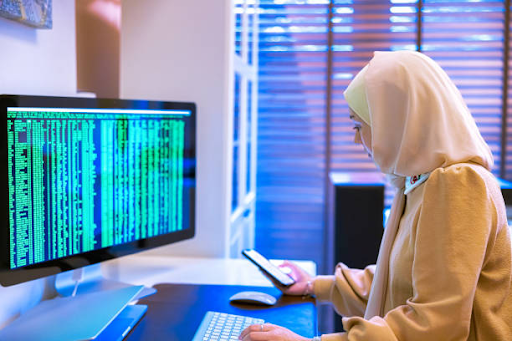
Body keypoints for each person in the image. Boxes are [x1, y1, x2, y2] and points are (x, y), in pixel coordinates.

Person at [239, 50, 512, 340]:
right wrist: (314, 286)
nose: (357, 138)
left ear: (397, 121)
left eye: (359, 125)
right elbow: (395, 283)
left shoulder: (459, 183)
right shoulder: (421, 180)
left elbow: (435, 325)